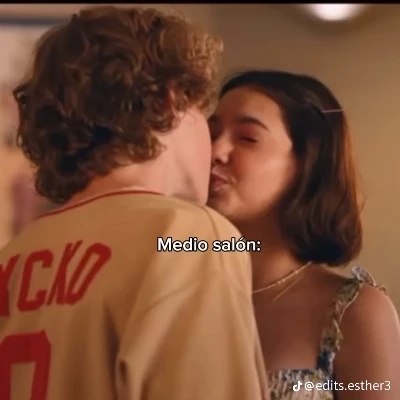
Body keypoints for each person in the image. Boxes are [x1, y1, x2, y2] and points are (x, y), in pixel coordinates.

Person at [0, 7, 269, 400]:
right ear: (169, 99)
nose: (215, 150)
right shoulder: (190, 237)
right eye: (203, 114)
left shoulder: (13, 257)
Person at [208, 70, 400, 399]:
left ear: (306, 164)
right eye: (211, 133)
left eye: (247, 138)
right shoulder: (177, 293)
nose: (216, 150)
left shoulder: (354, 313)